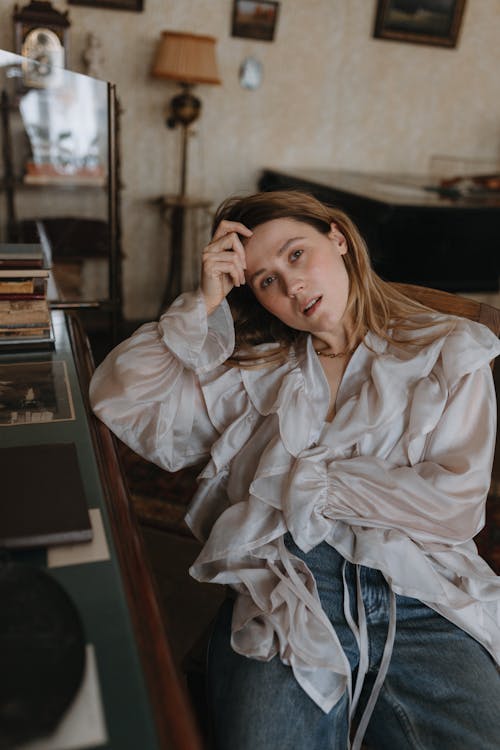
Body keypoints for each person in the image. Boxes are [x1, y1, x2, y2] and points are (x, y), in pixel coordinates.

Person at [90, 190, 500, 750]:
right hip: (291, 592)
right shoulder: (258, 371)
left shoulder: (447, 350)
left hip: (426, 595)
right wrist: (203, 303)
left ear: (337, 236)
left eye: (296, 255)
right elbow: (120, 397)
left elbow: (456, 506)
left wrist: (310, 480)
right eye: (264, 281)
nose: (290, 286)